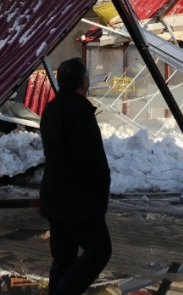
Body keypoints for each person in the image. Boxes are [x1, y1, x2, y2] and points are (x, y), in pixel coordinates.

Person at [39, 58, 112, 295]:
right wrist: (100, 182)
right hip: (78, 200)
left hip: (54, 195)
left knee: (63, 259)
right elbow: (86, 158)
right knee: (99, 251)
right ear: (84, 82)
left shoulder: (51, 108)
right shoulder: (79, 112)